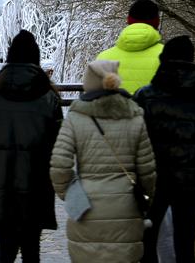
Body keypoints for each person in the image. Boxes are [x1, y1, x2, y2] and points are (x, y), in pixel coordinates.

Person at [49, 60, 157, 263]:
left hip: (85, 206)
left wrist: (71, 194)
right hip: (126, 206)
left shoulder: (76, 118)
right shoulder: (134, 116)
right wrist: (144, 198)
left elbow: (59, 165)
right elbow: (147, 169)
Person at [0, 30, 64, 263]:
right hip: (37, 181)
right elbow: (58, 140)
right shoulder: (48, 97)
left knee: (5, 248)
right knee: (32, 250)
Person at [133, 37, 195, 263]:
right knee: (185, 241)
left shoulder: (145, 97)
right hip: (191, 182)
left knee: (147, 239)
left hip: (153, 180)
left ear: (163, 60)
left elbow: (133, 140)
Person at [96, 0, 165, 96]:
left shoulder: (103, 58)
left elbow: (94, 99)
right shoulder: (169, 56)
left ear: (128, 20)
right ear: (157, 22)